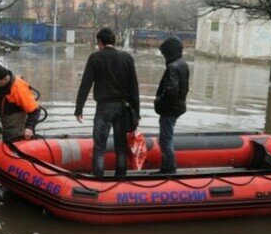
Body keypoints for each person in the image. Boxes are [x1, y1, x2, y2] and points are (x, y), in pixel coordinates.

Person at [74, 27, 140, 179]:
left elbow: (85, 85)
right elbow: (134, 88)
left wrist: (79, 109)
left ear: (100, 42)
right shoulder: (127, 58)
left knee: (99, 148)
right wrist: (137, 112)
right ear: (114, 41)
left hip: (103, 108)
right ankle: (121, 179)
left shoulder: (95, 58)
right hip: (123, 108)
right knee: (121, 148)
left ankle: (98, 181)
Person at [153, 36, 190, 174]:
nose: (164, 56)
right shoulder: (183, 64)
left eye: (164, 53)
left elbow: (170, 90)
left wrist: (158, 102)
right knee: (166, 139)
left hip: (170, 109)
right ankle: (167, 168)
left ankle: (169, 169)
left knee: (165, 141)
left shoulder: (173, 67)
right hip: (178, 107)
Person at [0, 66, 40, 141]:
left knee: (17, 143)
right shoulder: (0, 83)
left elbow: (35, 110)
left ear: (6, 79)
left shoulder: (20, 89)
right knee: (7, 140)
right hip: (6, 123)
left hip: (18, 125)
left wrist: (29, 128)